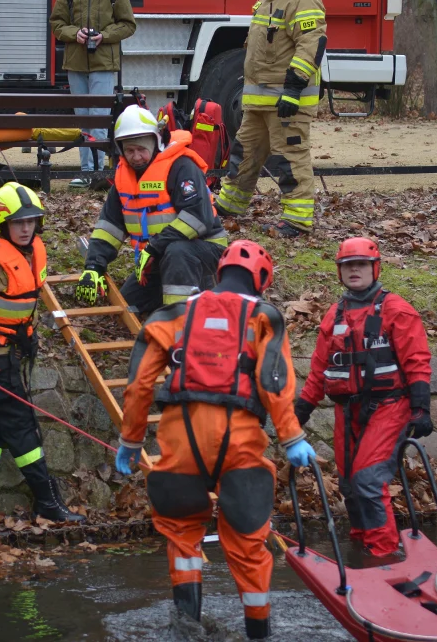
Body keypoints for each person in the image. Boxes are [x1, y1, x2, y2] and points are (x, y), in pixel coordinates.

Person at [117, 240, 318, 640]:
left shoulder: (171, 313)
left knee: (180, 530)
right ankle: (258, 632)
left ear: (219, 273)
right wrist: (292, 436)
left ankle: (187, 626)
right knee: (248, 541)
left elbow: (139, 384)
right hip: (240, 438)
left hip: (180, 437)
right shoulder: (263, 316)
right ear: (261, 280)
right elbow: (274, 382)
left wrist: (130, 440)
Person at [0, 182, 86, 524]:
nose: (26, 228)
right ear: (0, 223)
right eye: (18, 222)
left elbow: (24, 301)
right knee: (23, 428)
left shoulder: (29, 250)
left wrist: (28, 335)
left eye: (32, 221)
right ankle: (47, 501)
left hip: (9, 353)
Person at [294, 237, 432, 559]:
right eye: (347, 265)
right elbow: (319, 370)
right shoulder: (334, 315)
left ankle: (384, 555)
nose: (354, 270)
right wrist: (301, 410)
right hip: (348, 411)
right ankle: (361, 549)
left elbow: (417, 361)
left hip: (389, 407)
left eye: (360, 264)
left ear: (375, 268)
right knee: (349, 486)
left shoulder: (396, 309)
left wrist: (421, 408)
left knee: (368, 481)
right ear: (340, 272)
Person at [76, 104, 227, 316]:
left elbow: (197, 218)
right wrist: (94, 266)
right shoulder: (123, 179)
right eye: (130, 150)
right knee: (126, 309)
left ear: (156, 143)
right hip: (158, 258)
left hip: (205, 252)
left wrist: (155, 247)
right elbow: (109, 228)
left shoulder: (181, 167)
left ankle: (179, 321)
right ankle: (172, 300)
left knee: (178, 251)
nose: (136, 157)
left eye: (141, 149)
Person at [214, 0, 327, 238]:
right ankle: (229, 205)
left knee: (290, 158)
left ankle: (297, 220)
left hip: (287, 100)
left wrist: (293, 89)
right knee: (244, 154)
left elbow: (311, 44)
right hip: (259, 101)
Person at [49, 0, 136, 188]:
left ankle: (97, 173)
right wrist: (74, 33)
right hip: (76, 64)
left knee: (98, 118)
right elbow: (56, 23)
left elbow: (128, 24)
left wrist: (103, 36)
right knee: (83, 120)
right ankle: (87, 172)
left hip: (103, 63)